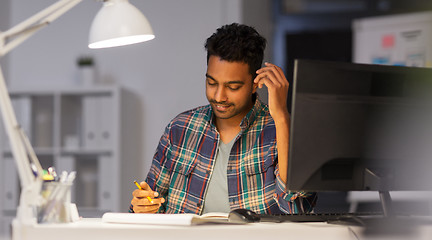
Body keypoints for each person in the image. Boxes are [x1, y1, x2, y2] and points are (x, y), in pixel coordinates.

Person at [130, 23, 316, 214]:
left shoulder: (280, 130)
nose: (219, 96)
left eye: (232, 87)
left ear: (255, 84)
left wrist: (282, 117)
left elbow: (296, 209)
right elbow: (151, 207)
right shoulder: (180, 129)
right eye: (211, 83)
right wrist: (142, 207)